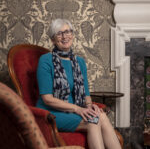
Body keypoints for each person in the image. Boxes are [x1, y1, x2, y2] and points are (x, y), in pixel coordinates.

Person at [36, 18, 121, 149]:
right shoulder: (45, 60)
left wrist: (89, 106)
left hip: (74, 110)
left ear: (73, 35)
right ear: (53, 39)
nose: (65, 36)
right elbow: (47, 99)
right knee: (93, 121)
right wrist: (78, 109)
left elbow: (86, 93)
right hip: (51, 113)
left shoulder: (79, 62)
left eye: (68, 31)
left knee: (101, 116)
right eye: (59, 33)